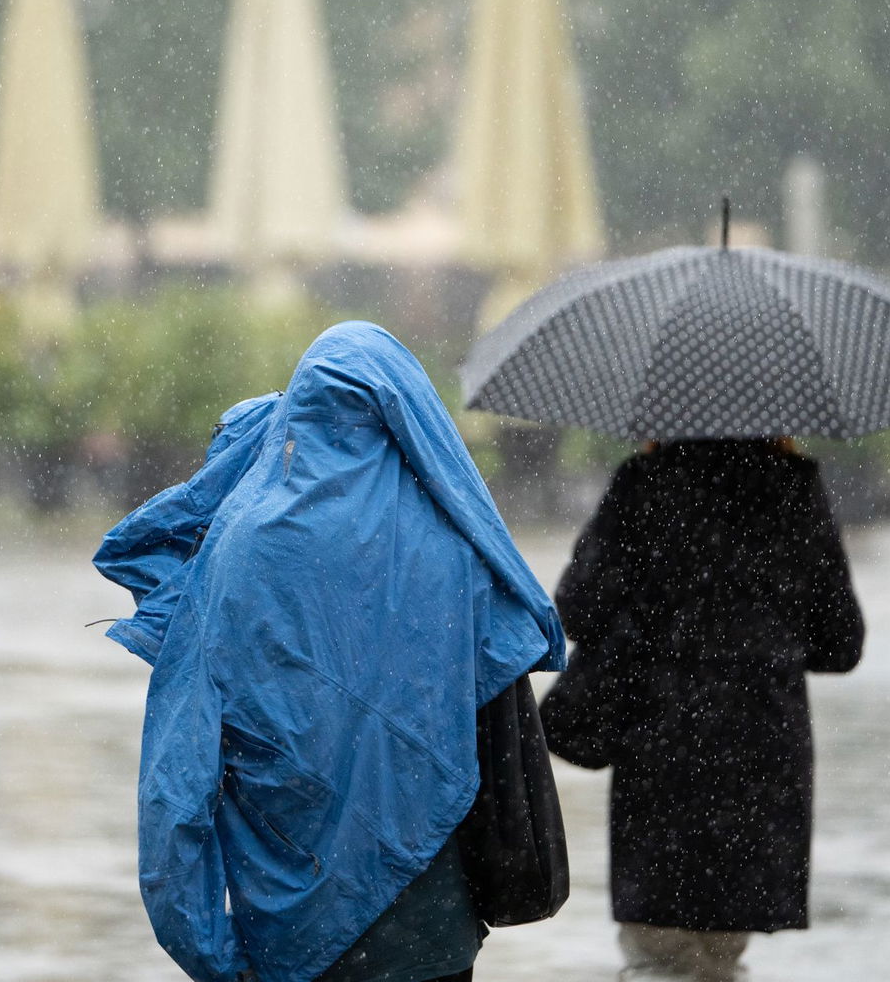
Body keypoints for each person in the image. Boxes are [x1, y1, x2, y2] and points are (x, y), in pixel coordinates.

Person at [94, 322, 567, 982]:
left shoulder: (237, 555)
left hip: (289, 939)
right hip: (431, 934)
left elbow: (178, 789)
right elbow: (499, 727)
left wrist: (212, 955)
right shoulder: (458, 554)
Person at [544, 438, 864, 982]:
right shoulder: (794, 485)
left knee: (657, 951)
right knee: (721, 953)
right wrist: (761, 632)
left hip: (661, 744)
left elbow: (577, 609)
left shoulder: (644, 480)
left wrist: (659, 610)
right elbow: (840, 644)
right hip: (759, 752)